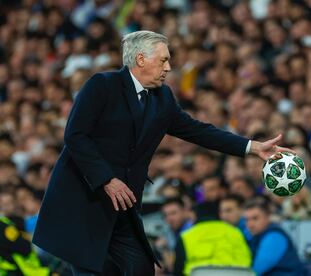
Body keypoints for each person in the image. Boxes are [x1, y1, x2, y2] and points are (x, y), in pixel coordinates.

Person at [32, 30, 292, 276]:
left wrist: (252, 146)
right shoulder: (102, 85)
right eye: (164, 60)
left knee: (142, 267)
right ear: (141, 59)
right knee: (93, 271)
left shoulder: (163, 98)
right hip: (85, 202)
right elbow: (75, 136)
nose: (168, 67)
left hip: (123, 206)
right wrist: (106, 179)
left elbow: (199, 131)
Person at [174, 201, 251, 276]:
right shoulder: (235, 232)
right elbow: (247, 260)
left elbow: (178, 269)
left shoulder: (185, 236)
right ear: (219, 214)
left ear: (195, 216)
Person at [243, 197, 309, 276]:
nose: (250, 224)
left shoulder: (274, 237)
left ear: (267, 217)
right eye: (247, 220)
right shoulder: (255, 236)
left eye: (255, 218)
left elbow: (255, 271)